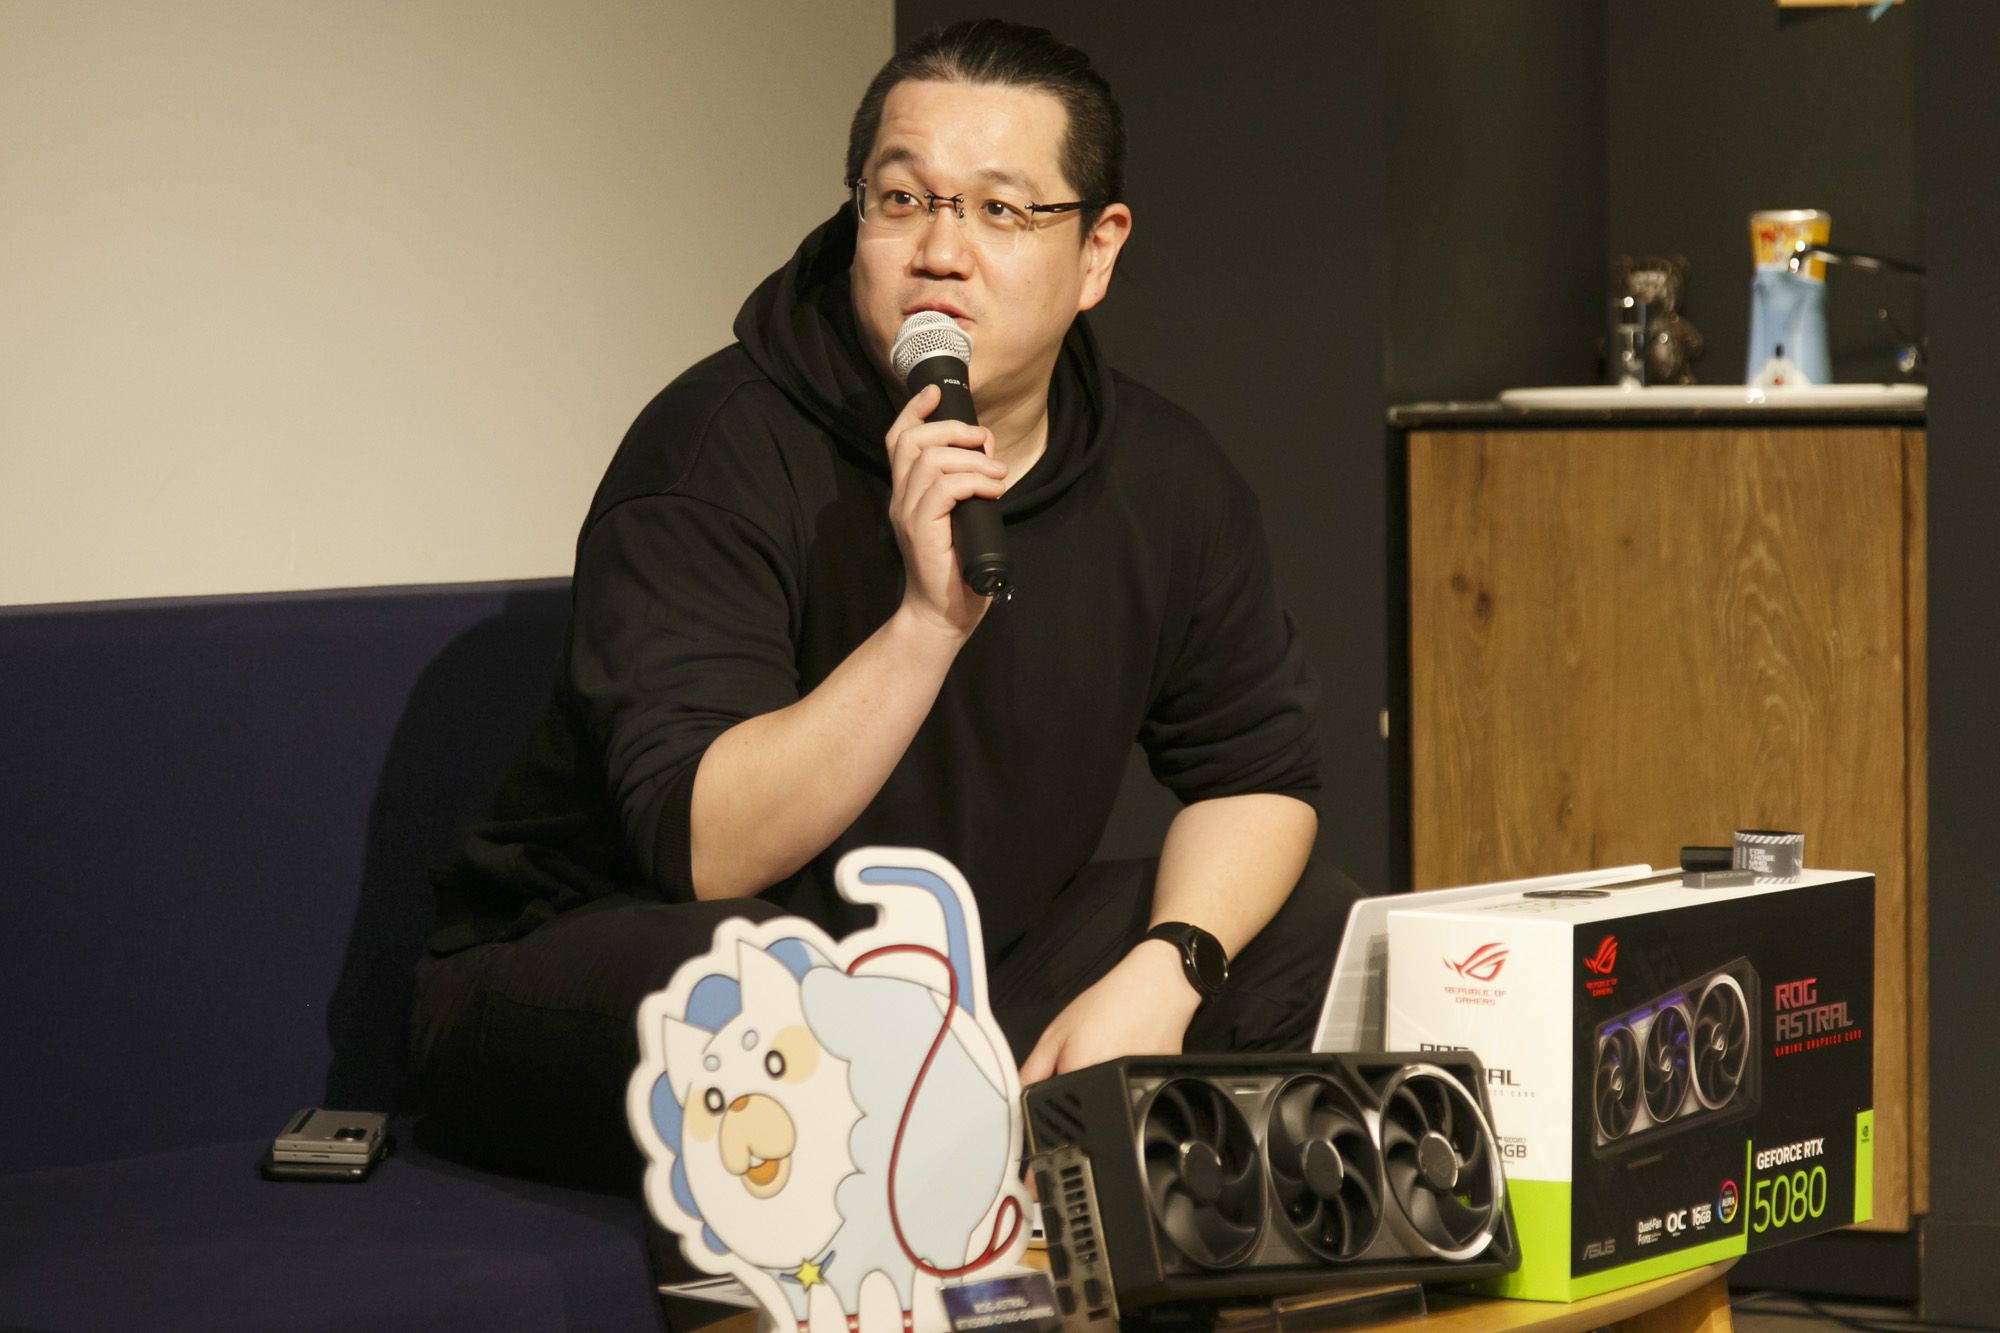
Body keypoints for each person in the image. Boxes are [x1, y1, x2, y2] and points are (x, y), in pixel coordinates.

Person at [411, 19, 1358, 1188]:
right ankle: (967, 1175)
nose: (939, 252)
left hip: (942, 978)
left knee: (1304, 925)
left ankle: (990, 1171)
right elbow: (710, 850)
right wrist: (925, 624)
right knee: (760, 990)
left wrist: (1170, 968)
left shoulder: (1165, 477)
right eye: (901, 200)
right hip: (618, 969)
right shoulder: (714, 450)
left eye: (1000, 210)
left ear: (1096, 252)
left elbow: (1253, 775)